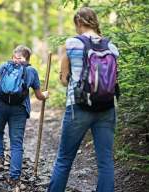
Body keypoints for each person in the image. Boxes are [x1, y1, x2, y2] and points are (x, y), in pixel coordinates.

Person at [48, 7, 119, 192]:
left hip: (78, 107)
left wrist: (69, 76)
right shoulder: (111, 47)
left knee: (64, 159)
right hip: (107, 107)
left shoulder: (72, 43)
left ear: (79, 22)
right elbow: (114, 79)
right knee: (105, 161)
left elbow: (63, 80)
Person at [0, 45, 49, 191]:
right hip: (19, 109)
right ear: (28, 57)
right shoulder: (31, 70)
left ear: (14, 55)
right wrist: (45, 95)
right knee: (16, 143)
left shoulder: (4, 65)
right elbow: (39, 96)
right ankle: (14, 179)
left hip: (0, 105)